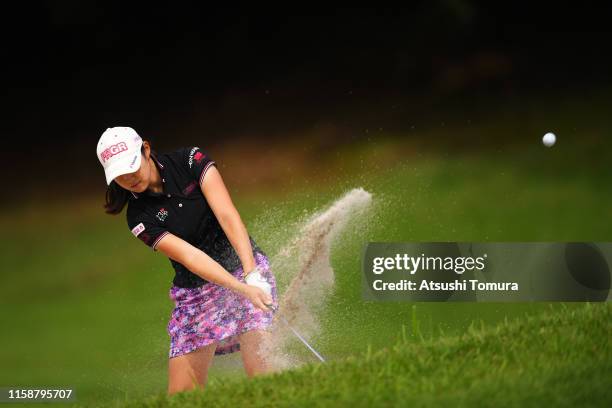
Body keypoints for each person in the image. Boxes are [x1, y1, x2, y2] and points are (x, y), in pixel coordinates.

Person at [96, 126, 279, 395]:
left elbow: (227, 215)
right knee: (181, 396)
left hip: (245, 266)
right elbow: (191, 257)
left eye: (131, 167)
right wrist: (242, 289)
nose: (128, 178)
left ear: (146, 149)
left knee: (264, 378)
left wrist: (251, 275)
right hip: (196, 294)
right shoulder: (138, 218)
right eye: (119, 176)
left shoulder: (190, 161)